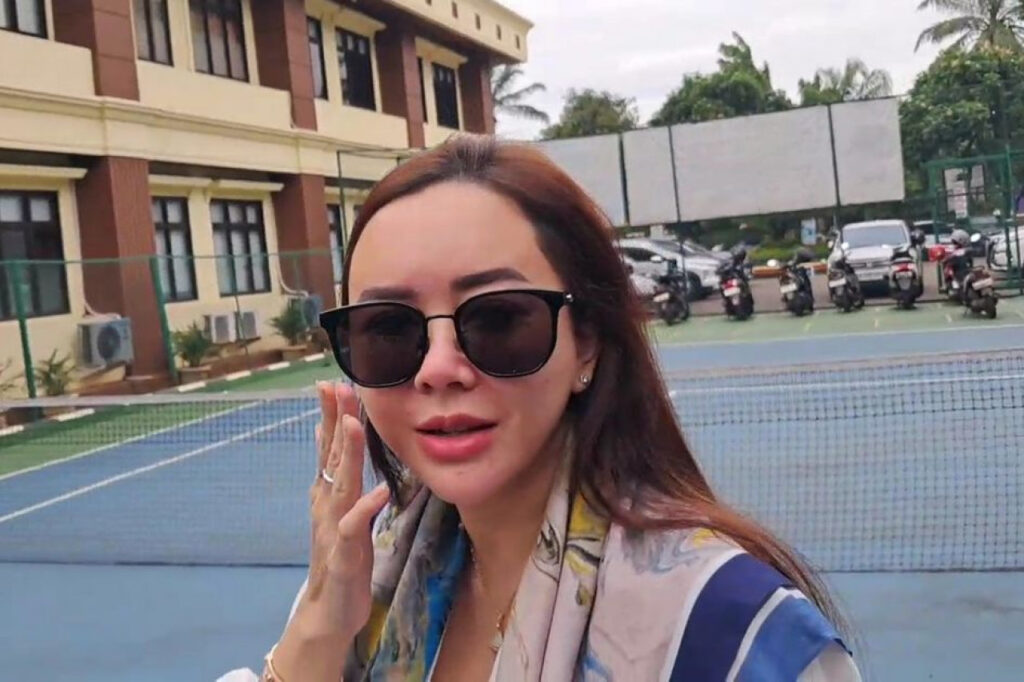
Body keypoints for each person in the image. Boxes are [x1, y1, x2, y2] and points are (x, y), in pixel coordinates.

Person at [226, 136, 860, 681]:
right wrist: (315, 629)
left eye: (499, 318)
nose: (438, 368)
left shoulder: (728, 633)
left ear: (586, 341)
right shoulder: (365, 583)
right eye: (389, 329)